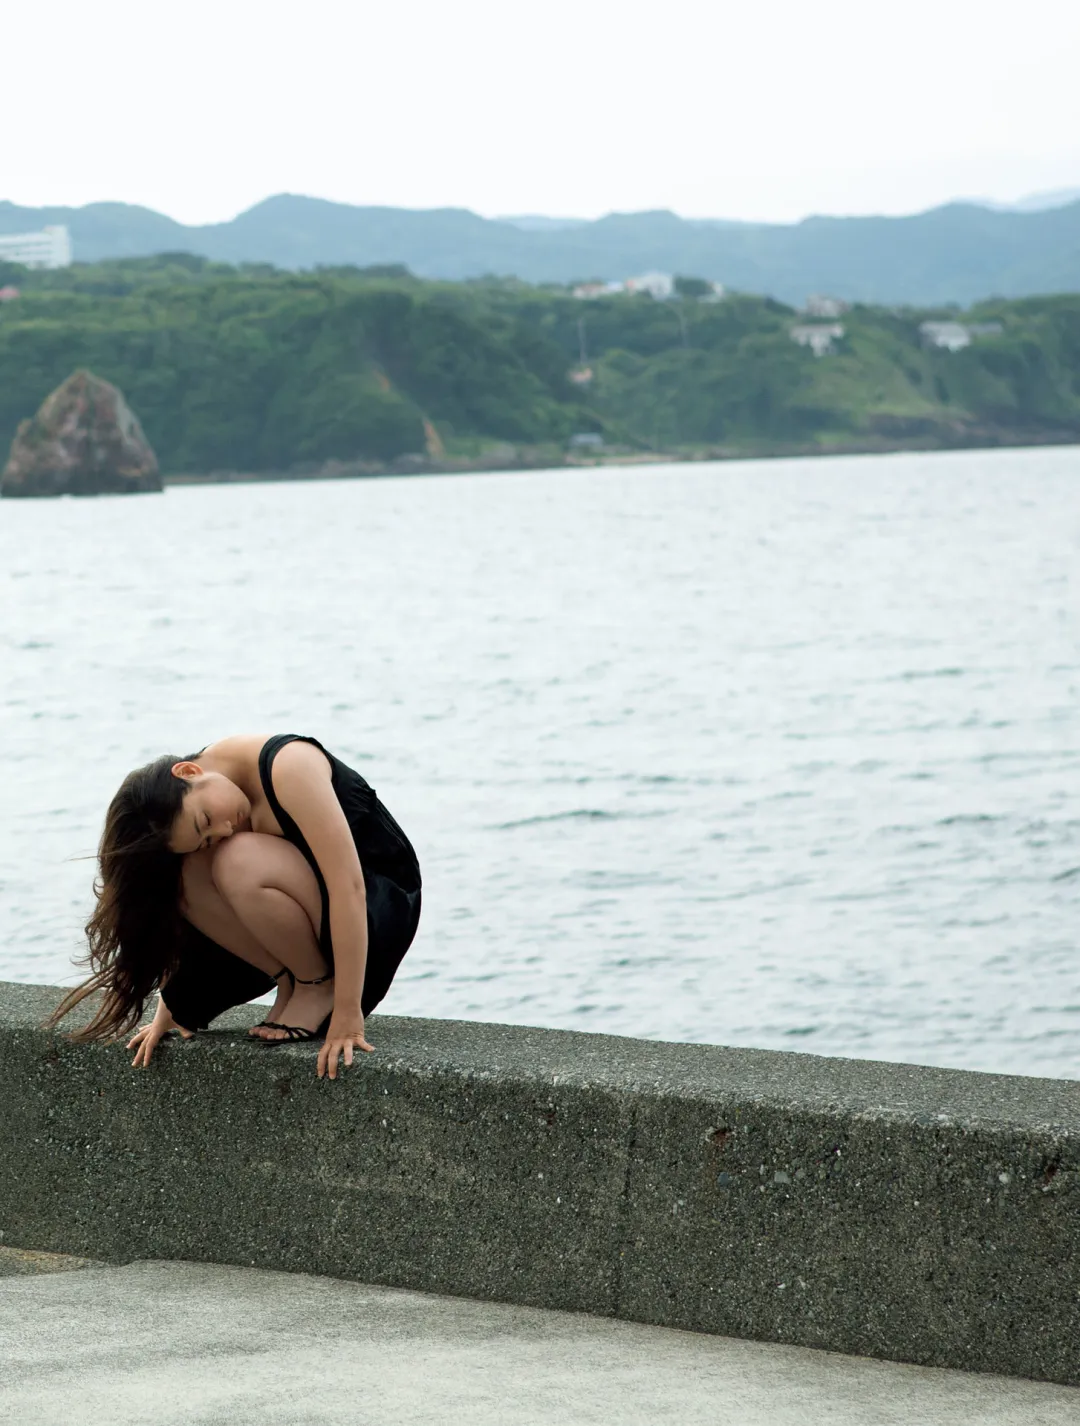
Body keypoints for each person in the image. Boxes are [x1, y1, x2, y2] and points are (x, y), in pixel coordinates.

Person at [49, 733, 421, 1080]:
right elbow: (197, 908)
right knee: (186, 870)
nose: (223, 830)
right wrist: (173, 1005)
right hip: (307, 914)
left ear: (190, 772)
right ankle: (293, 981)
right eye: (207, 835)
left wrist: (347, 1014)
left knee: (235, 856)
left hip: (375, 902)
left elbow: (348, 888)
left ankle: (316, 984)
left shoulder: (289, 767)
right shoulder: (213, 802)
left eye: (206, 821)